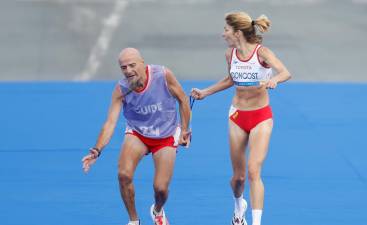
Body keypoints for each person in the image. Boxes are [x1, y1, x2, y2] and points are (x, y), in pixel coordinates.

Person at [191, 12, 291, 225]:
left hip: (261, 116)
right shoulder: (230, 55)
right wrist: (205, 92)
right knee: (238, 178)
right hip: (237, 116)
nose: (222, 34)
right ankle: (238, 209)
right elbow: (230, 79)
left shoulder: (261, 53)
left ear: (237, 33)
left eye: (226, 30)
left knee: (254, 170)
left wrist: (275, 80)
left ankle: (256, 222)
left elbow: (285, 72)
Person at [82, 48, 191, 225]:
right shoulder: (121, 89)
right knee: (123, 175)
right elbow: (110, 122)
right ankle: (134, 220)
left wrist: (185, 129)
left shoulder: (163, 75)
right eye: (123, 68)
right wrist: (96, 150)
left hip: (166, 136)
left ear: (143, 63)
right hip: (138, 134)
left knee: (161, 189)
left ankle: (157, 210)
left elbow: (183, 99)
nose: (128, 71)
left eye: (132, 65)